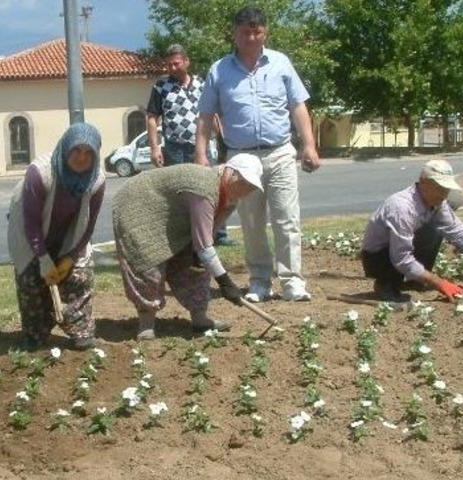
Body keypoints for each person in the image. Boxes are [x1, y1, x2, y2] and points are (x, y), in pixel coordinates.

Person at [194, 5, 320, 303]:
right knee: (251, 223)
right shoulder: (219, 70)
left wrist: (309, 145)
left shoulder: (281, 64)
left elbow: (298, 106)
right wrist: (201, 152)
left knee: (287, 218)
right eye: (246, 32)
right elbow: (205, 114)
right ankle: (260, 282)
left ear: (266, 33)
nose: (252, 37)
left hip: (279, 152)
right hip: (242, 158)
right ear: (235, 34)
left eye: (257, 31)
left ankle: (292, 282)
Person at [112, 155, 263, 340]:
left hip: (172, 216)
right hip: (138, 206)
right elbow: (204, 246)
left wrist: (199, 258)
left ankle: (200, 320)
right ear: (231, 173)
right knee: (149, 262)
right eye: (245, 183)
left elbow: (205, 241)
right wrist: (225, 282)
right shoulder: (204, 189)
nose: (246, 191)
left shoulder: (230, 199)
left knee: (196, 263)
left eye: (252, 188)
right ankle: (146, 323)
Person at [7, 123, 106, 351]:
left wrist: (70, 257)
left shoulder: (96, 179)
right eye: (76, 150)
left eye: (88, 153)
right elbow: (30, 222)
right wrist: (43, 259)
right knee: (31, 280)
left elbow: (88, 224)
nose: (81, 158)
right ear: (65, 148)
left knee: (80, 276)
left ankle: (81, 332)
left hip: (69, 235)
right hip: (29, 233)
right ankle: (36, 334)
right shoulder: (40, 173)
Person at [360, 160, 463, 303]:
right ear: (423, 182)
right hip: (378, 257)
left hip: (396, 251)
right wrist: (440, 283)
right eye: (440, 187)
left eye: (447, 189)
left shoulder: (436, 202)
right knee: (423, 238)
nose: (444, 194)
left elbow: (456, 230)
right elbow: (401, 258)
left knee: (434, 230)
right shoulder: (402, 208)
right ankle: (385, 284)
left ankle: (414, 280)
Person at [146, 44, 204, 167]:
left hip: (200, 146)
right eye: (169, 65)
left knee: (201, 184)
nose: (172, 68)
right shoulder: (161, 87)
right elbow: (151, 118)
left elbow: (211, 114)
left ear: (187, 61)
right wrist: (154, 148)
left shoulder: (201, 84)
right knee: (176, 185)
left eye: (176, 64)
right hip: (174, 149)